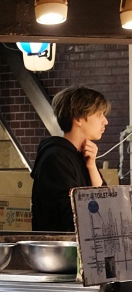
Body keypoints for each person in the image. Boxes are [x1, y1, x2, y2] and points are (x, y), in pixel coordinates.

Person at [31, 85, 109, 232]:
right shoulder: (55, 158)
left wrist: (92, 166)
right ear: (79, 118)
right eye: (99, 114)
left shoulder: (82, 156)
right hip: (61, 251)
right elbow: (73, 217)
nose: (105, 121)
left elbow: (105, 202)